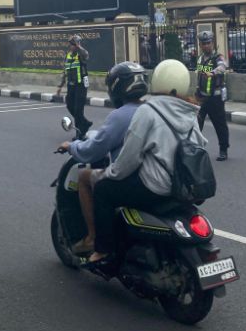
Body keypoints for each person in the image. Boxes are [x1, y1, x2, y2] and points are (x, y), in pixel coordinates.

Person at [86, 58, 200, 261]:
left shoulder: (148, 111)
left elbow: (130, 157)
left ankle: (103, 248)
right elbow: (199, 145)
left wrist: (109, 174)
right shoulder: (190, 111)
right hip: (184, 185)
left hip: (156, 186)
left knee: (103, 190)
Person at [55, 61, 149, 257]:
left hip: (133, 177)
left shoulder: (120, 116)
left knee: (84, 178)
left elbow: (94, 150)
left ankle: (93, 238)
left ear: (116, 87)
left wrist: (71, 146)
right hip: (154, 173)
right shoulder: (151, 109)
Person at [194, 39, 232, 162]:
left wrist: (213, 72)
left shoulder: (217, 57)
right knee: (196, 124)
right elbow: (199, 75)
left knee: (219, 124)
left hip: (215, 97)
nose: (206, 46)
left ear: (212, 44)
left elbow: (223, 66)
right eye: (203, 43)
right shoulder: (200, 58)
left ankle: (223, 150)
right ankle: (195, 149)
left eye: (208, 43)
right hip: (202, 97)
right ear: (200, 45)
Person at [61, 36, 92, 139]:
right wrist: (60, 86)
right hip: (71, 85)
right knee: (70, 106)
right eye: (70, 44)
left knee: (78, 110)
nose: (71, 46)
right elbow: (64, 71)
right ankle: (85, 123)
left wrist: (78, 46)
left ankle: (80, 133)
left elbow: (86, 55)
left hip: (81, 85)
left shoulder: (81, 54)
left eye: (73, 44)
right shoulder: (68, 55)